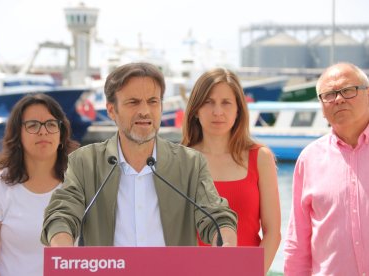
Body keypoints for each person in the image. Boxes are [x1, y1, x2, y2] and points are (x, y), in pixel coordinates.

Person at [41, 62, 238, 247]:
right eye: (133, 102)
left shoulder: (191, 163)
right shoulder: (84, 162)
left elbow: (217, 216)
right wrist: (63, 248)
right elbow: (62, 213)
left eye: (153, 101)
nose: (145, 111)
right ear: (111, 110)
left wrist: (226, 242)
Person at [182, 68, 281, 272]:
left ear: (238, 110)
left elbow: (273, 233)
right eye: (208, 102)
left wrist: (254, 272)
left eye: (226, 103)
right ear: (196, 110)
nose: (218, 111)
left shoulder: (260, 157)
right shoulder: (180, 160)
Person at [0, 93, 79, 276]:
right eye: (33, 125)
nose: (43, 131)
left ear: (61, 135)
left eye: (51, 124)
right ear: (17, 135)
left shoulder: (82, 182)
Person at [284, 63, 369, 275]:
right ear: (321, 107)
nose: (339, 99)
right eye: (329, 94)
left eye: (348, 90)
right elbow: (298, 242)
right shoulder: (309, 159)